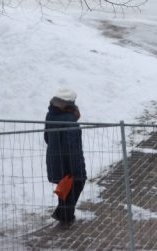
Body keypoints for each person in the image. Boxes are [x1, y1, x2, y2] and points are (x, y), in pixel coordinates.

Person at [44, 89, 86, 226]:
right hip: (70, 160)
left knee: (65, 186)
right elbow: (72, 146)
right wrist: (76, 168)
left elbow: (46, 138)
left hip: (54, 158)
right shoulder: (69, 119)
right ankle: (65, 216)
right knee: (77, 183)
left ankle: (63, 214)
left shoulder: (50, 115)